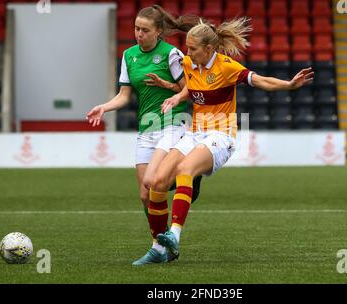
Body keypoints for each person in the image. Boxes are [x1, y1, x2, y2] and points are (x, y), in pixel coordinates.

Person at [132, 17, 314, 265]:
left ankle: (174, 233)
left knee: (186, 168)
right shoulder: (188, 63)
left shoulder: (227, 67)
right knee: (156, 182)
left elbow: (260, 80)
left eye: (193, 48)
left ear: (209, 49)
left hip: (221, 135)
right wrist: (177, 96)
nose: (187, 52)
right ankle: (158, 248)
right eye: (187, 47)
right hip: (195, 132)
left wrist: (289, 85)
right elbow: (190, 86)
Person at [86, 5, 202, 261]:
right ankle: (160, 247)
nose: (139, 33)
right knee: (144, 195)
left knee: (153, 182)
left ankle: (186, 178)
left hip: (174, 123)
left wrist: (168, 88)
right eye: (136, 28)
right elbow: (124, 95)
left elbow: (190, 89)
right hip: (147, 127)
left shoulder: (171, 54)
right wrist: (103, 107)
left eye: (145, 30)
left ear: (158, 31)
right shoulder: (129, 56)